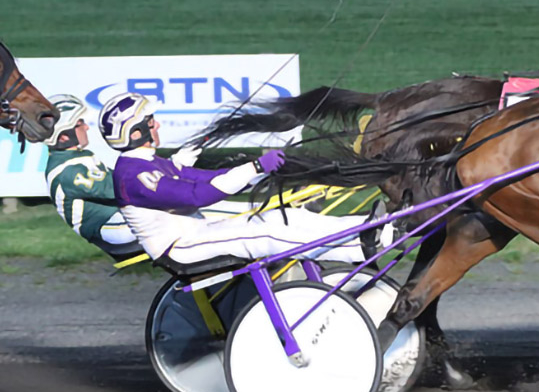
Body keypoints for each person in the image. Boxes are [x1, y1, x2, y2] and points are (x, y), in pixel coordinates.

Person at [100, 92, 391, 267]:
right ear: (136, 132)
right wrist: (254, 167)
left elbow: (210, 179)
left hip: (197, 234)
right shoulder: (132, 175)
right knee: (265, 236)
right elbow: (197, 196)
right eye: (151, 121)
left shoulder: (153, 164)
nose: (158, 124)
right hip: (179, 248)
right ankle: (357, 249)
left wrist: (259, 171)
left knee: (280, 218)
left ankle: (365, 227)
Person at [43, 95, 142, 257]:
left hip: (118, 219)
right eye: (80, 124)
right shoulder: (68, 170)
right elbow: (118, 189)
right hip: (109, 229)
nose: (87, 127)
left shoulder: (79, 157)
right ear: (63, 136)